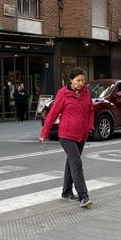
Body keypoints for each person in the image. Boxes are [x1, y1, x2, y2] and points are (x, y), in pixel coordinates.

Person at [39, 67, 95, 209]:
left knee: (71, 162)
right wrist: (44, 133)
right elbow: (52, 114)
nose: (81, 83)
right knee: (76, 163)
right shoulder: (62, 94)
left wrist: (90, 126)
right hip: (66, 135)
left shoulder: (86, 93)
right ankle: (84, 195)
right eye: (78, 80)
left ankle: (66, 192)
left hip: (81, 134)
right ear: (71, 80)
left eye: (83, 80)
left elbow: (90, 110)